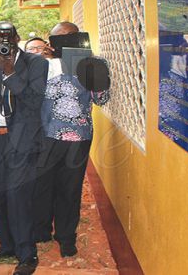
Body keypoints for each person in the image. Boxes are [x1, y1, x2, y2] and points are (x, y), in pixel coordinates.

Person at [0, 22, 48, 275]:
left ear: (17, 38)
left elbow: (33, 99)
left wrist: (9, 71)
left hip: (23, 139)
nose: (2, 45)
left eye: (6, 40)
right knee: (0, 194)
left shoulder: (36, 63)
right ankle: (7, 246)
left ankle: (27, 254)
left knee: (19, 197)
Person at [32, 21, 110, 258]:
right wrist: (45, 61)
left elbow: (101, 98)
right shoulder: (41, 65)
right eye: (57, 39)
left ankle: (66, 237)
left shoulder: (95, 63)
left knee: (70, 188)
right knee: (42, 186)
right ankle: (41, 230)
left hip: (78, 137)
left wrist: (87, 66)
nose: (62, 44)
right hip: (44, 135)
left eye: (69, 38)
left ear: (79, 39)